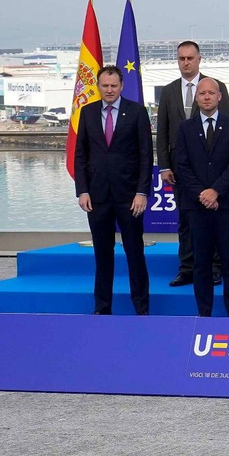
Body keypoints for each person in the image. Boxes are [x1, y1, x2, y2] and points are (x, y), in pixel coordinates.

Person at [72, 65, 152, 315]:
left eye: (113, 86)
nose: (109, 90)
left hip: (129, 197)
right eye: (105, 86)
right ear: (98, 86)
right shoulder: (87, 112)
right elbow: (80, 155)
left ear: (122, 86)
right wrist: (82, 190)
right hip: (97, 197)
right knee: (102, 254)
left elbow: (145, 155)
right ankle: (102, 307)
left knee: (134, 253)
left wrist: (142, 192)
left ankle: (141, 307)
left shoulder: (137, 112)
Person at [155, 40, 229, 288]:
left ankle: (215, 267)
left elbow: (226, 129)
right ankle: (187, 268)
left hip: (211, 166)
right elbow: (162, 131)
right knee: (186, 220)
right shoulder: (168, 91)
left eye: (190, 58)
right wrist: (164, 166)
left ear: (199, 59)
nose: (185, 62)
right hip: (180, 170)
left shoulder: (217, 87)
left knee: (214, 217)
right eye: (181, 58)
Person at [173, 78, 229, 317]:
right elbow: (181, 166)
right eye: (202, 93)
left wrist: (216, 191)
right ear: (196, 98)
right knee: (201, 262)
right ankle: (204, 314)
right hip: (196, 205)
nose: (206, 97)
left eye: (211, 93)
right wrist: (201, 194)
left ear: (219, 97)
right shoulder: (185, 128)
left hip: (228, 204)